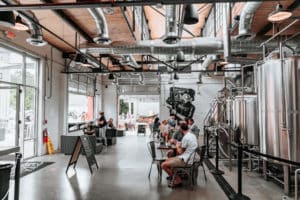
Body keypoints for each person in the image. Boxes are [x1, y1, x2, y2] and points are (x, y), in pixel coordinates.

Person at [161, 123, 198, 187]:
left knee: (163, 165)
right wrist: (177, 142)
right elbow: (186, 145)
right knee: (167, 159)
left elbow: (180, 152)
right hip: (190, 157)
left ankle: (178, 180)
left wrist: (177, 146)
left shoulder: (185, 138)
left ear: (181, 129)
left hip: (186, 160)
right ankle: (174, 175)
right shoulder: (192, 135)